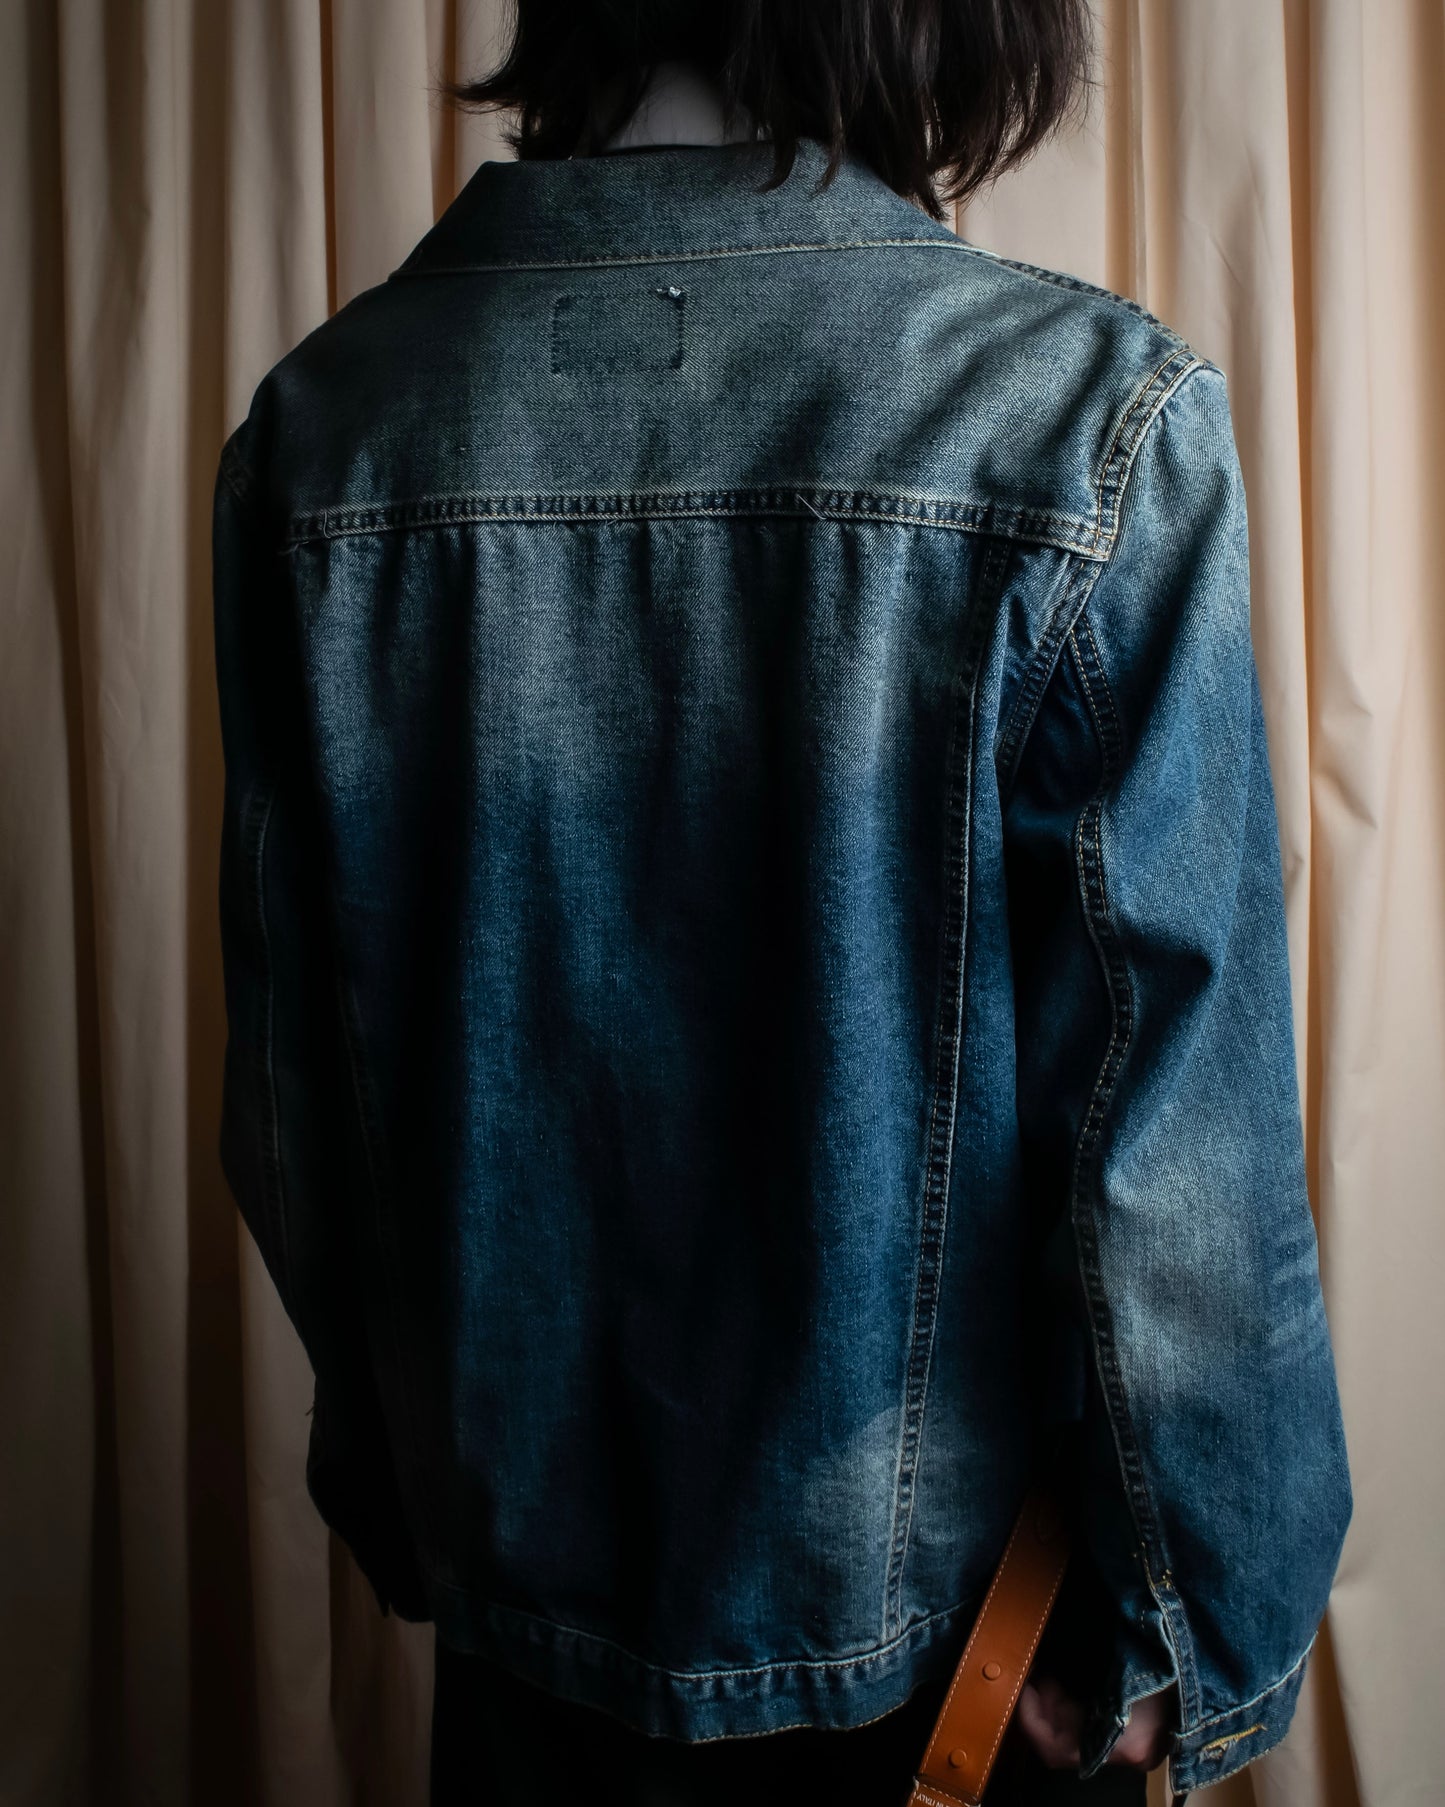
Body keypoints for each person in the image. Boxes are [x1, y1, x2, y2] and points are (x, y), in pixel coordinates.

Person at [210, 4, 1353, 1803]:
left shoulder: (325, 431)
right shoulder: (1076, 422)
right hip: (968, 1662)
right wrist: (1194, 1623)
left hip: (526, 1630)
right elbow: (1175, 1142)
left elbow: (294, 1108)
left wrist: (425, 1495)